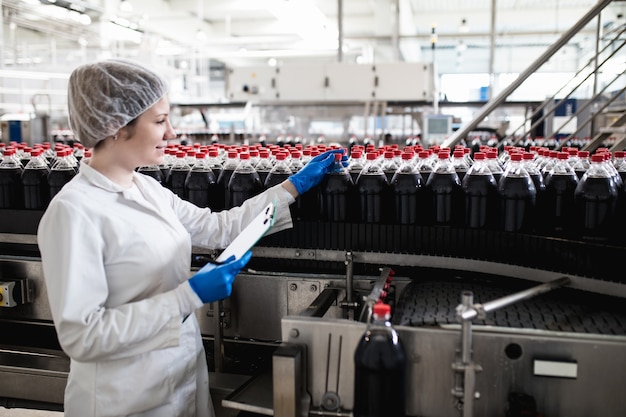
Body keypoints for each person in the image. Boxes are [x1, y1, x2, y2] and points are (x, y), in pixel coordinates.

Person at [36, 59, 345, 417]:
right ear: (115, 126)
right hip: (122, 399)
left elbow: (219, 228)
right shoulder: (74, 212)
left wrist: (294, 185)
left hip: (179, 379)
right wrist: (190, 295)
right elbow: (83, 336)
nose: (171, 133)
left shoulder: (147, 188)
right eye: (159, 120)